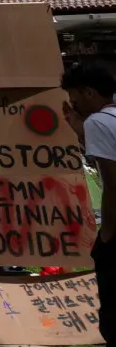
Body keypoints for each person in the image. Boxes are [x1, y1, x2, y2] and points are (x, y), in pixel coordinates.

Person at [63, 62, 116, 346]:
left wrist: (107, 231)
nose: (74, 104)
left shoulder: (97, 122)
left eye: (75, 99)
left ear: (89, 93)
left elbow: (113, 182)